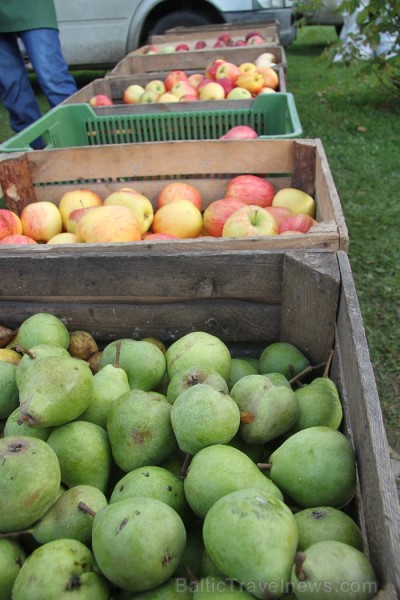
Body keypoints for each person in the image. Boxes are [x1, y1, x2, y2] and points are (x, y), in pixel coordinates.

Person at [0, 0, 77, 147]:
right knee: (12, 88)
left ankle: (80, 145)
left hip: (33, 6)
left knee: (54, 79)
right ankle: (34, 156)